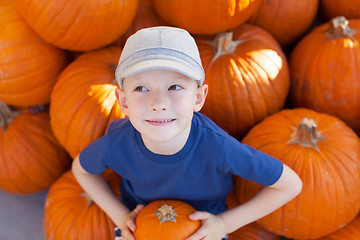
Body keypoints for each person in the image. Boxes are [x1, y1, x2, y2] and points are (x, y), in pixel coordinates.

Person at [72, 26, 302, 240]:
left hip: (201, 231)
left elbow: (290, 184)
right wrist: (120, 215)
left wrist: (224, 224)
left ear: (198, 97)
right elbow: (81, 171)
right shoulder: (118, 142)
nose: (158, 103)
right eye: (141, 88)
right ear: (123, 102)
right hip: (140, 226)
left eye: (175, 87)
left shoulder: (217, 146)